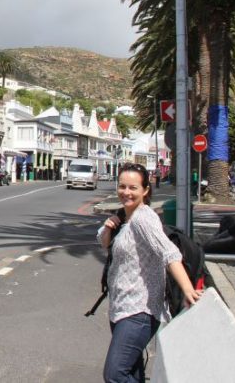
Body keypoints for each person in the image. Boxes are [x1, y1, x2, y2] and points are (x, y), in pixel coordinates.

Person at [98, 163, 201, 382]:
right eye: (122, 186)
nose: (126, 192)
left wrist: (188, 290)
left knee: (115, 374)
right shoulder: (125, 217)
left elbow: (169, 253)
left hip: (139, 311)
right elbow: (104, 243)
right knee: (133, 372)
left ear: (145, 190)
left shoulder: (144, 219)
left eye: (133, 187)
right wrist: (108, 228)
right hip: (120, 306)